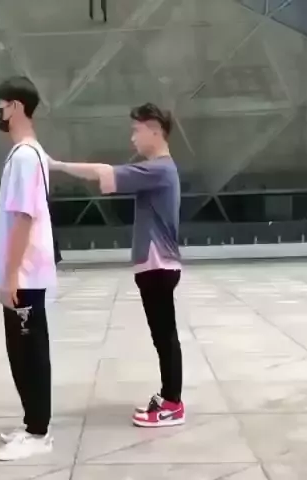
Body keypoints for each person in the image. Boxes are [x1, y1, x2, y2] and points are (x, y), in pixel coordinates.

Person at [50, 103, 184, 428]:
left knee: (165, 336)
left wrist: (57, 165)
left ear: (155, 130)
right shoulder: (157, 170)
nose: (132, 138)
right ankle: (169, 397)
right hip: (155, 265)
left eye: (137, 130)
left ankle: (172, 404)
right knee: (162, 335)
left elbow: (102, 171)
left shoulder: (159, 169)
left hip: (158, 265)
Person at [0, 76, 56, 460]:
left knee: (29, 352)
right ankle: (32, 422)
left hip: (25, 274)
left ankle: (38, 433)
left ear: (15, 106)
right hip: (23, 272)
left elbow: (24, 217)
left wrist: (12, 275)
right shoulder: (28, 154)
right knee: (21, 350)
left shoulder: (26, 157)